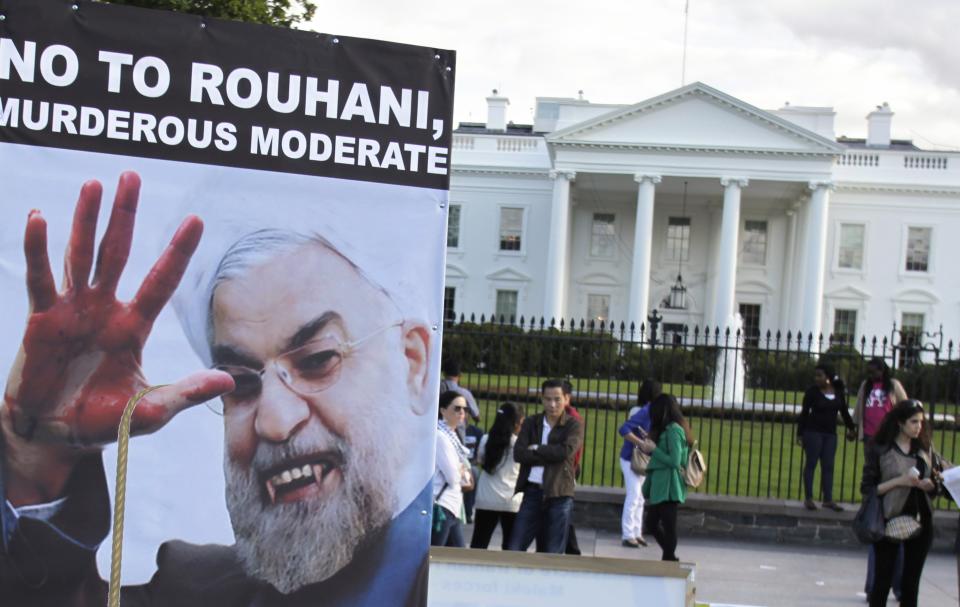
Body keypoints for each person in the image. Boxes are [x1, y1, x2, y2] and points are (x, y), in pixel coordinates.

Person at [0, 173, 437, 606]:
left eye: (317, 361)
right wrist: (40, 457)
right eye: (241, 383)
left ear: (412, 363)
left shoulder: (453, 584)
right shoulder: (193, 589)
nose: (275, 421)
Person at [860, 400, 939, 607]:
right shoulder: (881, 449)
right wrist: (900, 481)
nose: (918, 427)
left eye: (921, 422)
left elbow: (938, 479)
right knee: (882, 583)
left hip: (920, 521)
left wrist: (930, 485)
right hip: (888, 520)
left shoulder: (924, 449)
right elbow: (868, 488)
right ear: (900, 423)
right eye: (914, 422)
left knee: (910, 586)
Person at [507, 379, 583, 554]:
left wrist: (537, 449)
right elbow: (519, 453)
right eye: (548, 399)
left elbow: (565, 452)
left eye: (557, 399)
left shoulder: (573, 425)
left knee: (552, 552)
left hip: (559, 493)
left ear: (566, 399)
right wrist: (550, 454)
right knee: (515, 547)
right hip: (532, 492)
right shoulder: (531, 423)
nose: (552, 404)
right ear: (542, 399)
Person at [853, 357, 908, 599]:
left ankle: (893, 587)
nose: (871, 373)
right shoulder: (866, 386)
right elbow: (859, 407)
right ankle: (876, 588)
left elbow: (905, 406)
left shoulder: (892, 386)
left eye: (875, 369)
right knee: (883, 541)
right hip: (871, 441)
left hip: (897, 502)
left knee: (897, 541)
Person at [637, 393, 692, 562]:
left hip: (669, 486)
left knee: (668, 526)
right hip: (661, 485)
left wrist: (654, 450)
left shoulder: (674, 430)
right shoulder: (667, 430)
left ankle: (669, 557)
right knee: (652, 524)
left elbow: (675, 461)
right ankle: (669, 555)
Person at [797, 363, 856, 511]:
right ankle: (809, 498)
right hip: (813, 432)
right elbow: (804, 413)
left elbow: (844, 412)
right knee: (811, 464)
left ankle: (828, 499)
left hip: (830, 434)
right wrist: (800, 433)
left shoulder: (837, 393)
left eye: (820, 375)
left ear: (828, 377)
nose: (816, 378)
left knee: (828, 466)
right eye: (815, 375)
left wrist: (851, 428)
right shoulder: (812, 392)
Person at [469, 402, 524, 550]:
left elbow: (480, 460)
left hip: (486, 497)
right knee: (510, 546)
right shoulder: (518, 443)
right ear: (519, 421)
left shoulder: (486, 439)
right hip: (511, 499)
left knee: (479, 542)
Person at [618, 379, 662, 547]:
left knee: (640, 497)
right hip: (631, 457)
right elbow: (624, 429)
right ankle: (628, 534)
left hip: (641, 459)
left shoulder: (649, 410)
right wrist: (641, 442)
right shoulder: (644, 411)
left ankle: (636, 532)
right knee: (634, 495)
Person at [432, 391, 473, 548]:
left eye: (465, 409)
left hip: (452, 506)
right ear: (443, 410)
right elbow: (454, 478)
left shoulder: (453, 436)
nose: (462, 412)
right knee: (435, 557)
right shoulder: (441, 437)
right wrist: (460, 471)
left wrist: (461, 471)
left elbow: (463, 475)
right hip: (443, 505)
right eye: (457, 408)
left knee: (456, 556)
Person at [561, 379, 584, 555]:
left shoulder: (572, 418)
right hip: (566, 468)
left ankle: (572, 549)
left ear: (567, 397)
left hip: (567, 469)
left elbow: (573, 450)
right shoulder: (565, 415)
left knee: (565, 510)